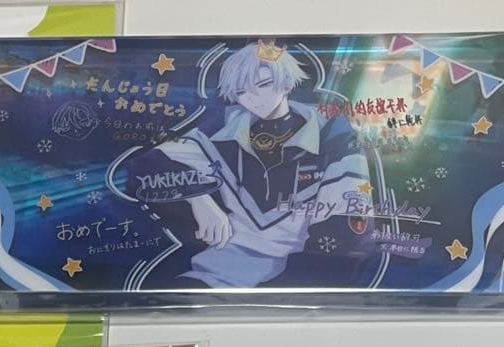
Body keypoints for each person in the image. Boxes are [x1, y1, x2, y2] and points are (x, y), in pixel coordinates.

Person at [152, 40, 372, 287]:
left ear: (286, 83)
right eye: (241, 91)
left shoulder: (334, 134)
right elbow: (150, 165)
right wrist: (197, 196)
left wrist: (290, 291)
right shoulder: (224, 126)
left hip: (303, 280)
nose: (254, 99)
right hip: (217, 272)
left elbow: (347, 231)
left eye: (264, 85)